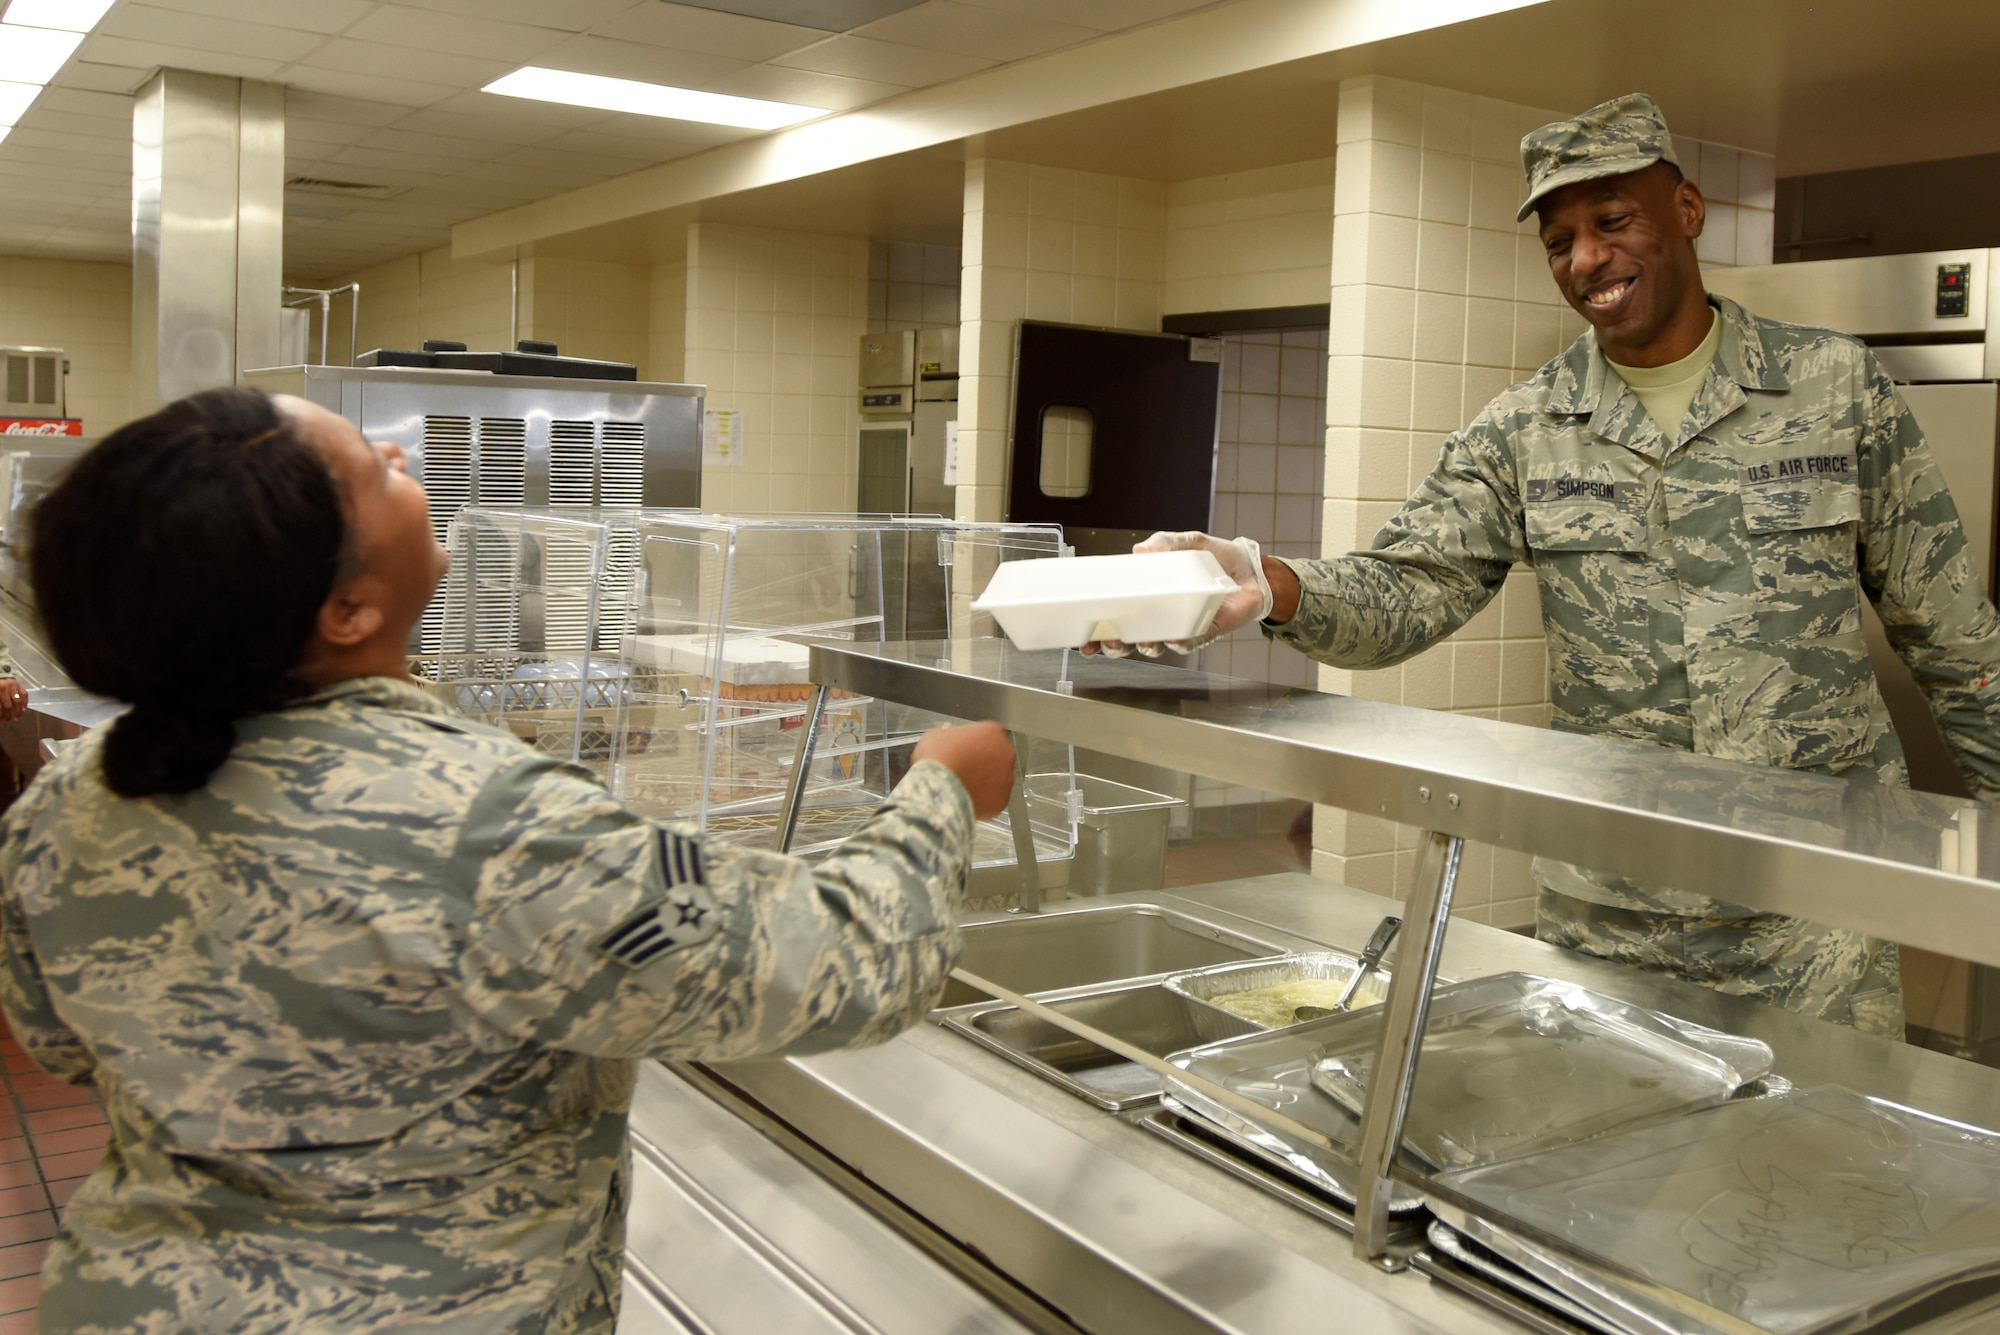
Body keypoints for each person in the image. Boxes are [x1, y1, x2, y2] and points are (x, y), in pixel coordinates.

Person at [0, 386, 1018, 1332]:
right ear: (346, 609)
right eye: (373, 469)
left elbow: (59, 1039)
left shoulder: (69, 796)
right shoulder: (483, 824)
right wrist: (939, 790)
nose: (400, 453)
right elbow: (841, 965)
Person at [1094, 93, 2000, 1040]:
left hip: (1820, 909)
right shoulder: (1527, 427)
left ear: (1686, 211)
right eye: (1560, 241)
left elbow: (1954, 639)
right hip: (1617, 909)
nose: (1587, 261)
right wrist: (1265, 579)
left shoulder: (1834, 386)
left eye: (1613, 221)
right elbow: (1409, 586)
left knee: (1820, 1169)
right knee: (1611, 1174)